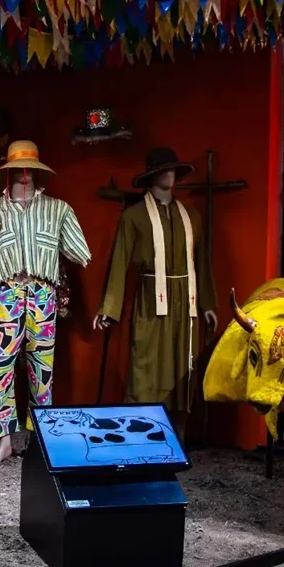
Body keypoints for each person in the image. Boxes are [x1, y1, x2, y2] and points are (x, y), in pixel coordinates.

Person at [0, 140, 91, 467]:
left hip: (42, 295)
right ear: (7, 172)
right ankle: (4, 441)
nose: (24, 175)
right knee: (1, 369)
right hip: (6, 294)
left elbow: (81, 253)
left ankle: (40, 441)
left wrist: (55, 242)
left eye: (29, 168)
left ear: (38, 170)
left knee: (42, 370)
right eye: (16, 169)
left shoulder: (59, 209)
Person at [93, 147, 217, 441]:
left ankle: (178, 436)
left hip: (185, 303)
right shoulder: (134, 217)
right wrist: (109, 308)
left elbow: (202, 262)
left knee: (182, 366)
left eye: (173, 170)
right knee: (146, 366)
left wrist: (207, 304)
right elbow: (120, 260)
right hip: (151, 299)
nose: (170, 175)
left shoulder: (191, 217)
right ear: (152, 176)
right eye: (164, 170)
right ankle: (139, 434)